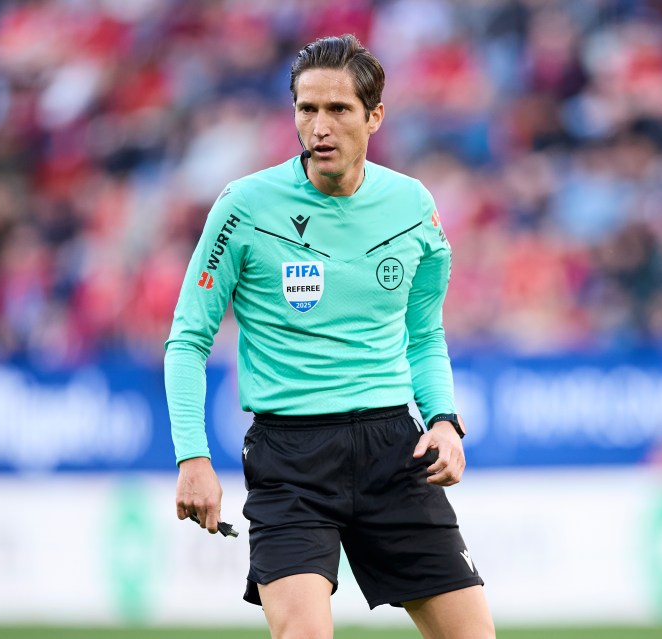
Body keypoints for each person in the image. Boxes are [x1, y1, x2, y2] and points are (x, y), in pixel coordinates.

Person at [164, 34, 496, 639]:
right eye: (306, 109)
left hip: (395, 449)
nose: (319, 126)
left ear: (374, 117)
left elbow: (423, 335)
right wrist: (193, 457)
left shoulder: (413, 207)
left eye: (338, 110)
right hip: (290, 459)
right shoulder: (244, 207)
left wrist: (444, 420)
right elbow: (189, 338)